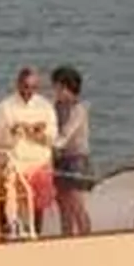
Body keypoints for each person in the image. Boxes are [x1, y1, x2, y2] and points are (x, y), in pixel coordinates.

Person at [0, 66, 58, 236]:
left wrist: (36, 133)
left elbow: (52, 137)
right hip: (15, 162)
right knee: (11, 204)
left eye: (33, 87)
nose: (29, 91)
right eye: (26, 86)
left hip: (39, 162)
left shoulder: (45, 106)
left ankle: (37, 233)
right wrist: (13, 132)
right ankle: (9, 233)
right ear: (18, 85)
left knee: (37, 206)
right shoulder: (5, 107)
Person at [51, 65, 93, 236]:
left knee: (77, 205)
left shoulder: (79, 108)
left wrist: (50, 144)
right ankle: (66, 238)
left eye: (58, 87)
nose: (56, 91)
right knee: (63, 206)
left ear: (67, 87)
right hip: (59, 159)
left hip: (76, 160)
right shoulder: (56, 106)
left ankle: (86, 237)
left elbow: (66, 133)